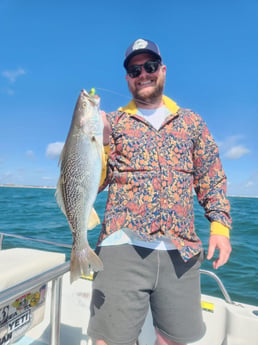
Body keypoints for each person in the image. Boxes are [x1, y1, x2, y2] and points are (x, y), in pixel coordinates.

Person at [87, 38, 232, 345]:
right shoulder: (112, 122)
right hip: (121, 245)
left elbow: (211, 176)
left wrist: (220, 226)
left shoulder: (191, 122)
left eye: (150, 66)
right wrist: (101, 142)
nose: (143, 74)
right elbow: (95, 183)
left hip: (181, 250)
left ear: (162, 70)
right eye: (135, 69)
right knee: (108, 341)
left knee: (174, 340)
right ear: (127, 78)